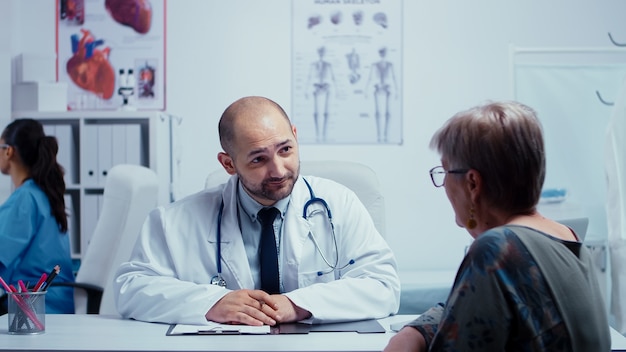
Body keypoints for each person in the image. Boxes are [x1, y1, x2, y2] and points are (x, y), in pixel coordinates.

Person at [113, 95, 400, 326]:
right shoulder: (173, 221)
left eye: (285, 150)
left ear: (295, 137)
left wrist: (298, 304)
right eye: (258, 159)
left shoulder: (340, 204)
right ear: (228, 164)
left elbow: (383, 285)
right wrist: (209, 302)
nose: (278, 170)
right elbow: (131, 288)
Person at [384, 101, 610, 351]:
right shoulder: (567, 238)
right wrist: (414, 332)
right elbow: (467, 309)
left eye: (444, 172)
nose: (443, 185)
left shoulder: (497, 249)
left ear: (472, 184)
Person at [0, 119, 75, 314]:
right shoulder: (44, 193)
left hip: (33, 307)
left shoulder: (25, 198)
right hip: (54, 304)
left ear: (9, 151)